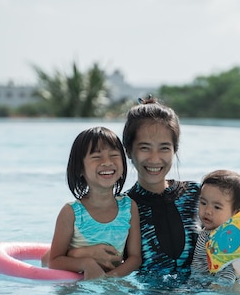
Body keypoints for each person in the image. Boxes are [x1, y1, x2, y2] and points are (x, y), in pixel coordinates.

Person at [68, 97, 201, 280]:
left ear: (174, 150)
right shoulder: (120, 210)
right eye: (145, 148)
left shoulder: (198, 194)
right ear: (129, 151)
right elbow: (53, 257)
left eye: (164, 148)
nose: (154, 159)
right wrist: (81, 254)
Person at [46, 126, 142, 280]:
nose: (107, 162)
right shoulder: (71, 212)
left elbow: (135, 258)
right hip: (76, 287)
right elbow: (54, 261)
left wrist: (109, 279)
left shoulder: (129, 207)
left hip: (114, 282)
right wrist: (86, 264)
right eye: (96, 157)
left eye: (114, 155)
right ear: (79, 169)